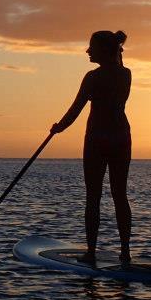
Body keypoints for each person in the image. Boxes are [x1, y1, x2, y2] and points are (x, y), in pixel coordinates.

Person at [51, 30, 132, 265]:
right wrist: (117, 52)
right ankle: (125, 253)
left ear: (103, 51)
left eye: (91, 47)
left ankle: (91, 252)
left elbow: (75, 109)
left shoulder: (92, 78)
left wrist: (59, 127)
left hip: (97, 139)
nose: (87, 51)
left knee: (93, 197)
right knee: (120, 196)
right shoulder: (126, 74)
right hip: (121, 138)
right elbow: (119, 65)